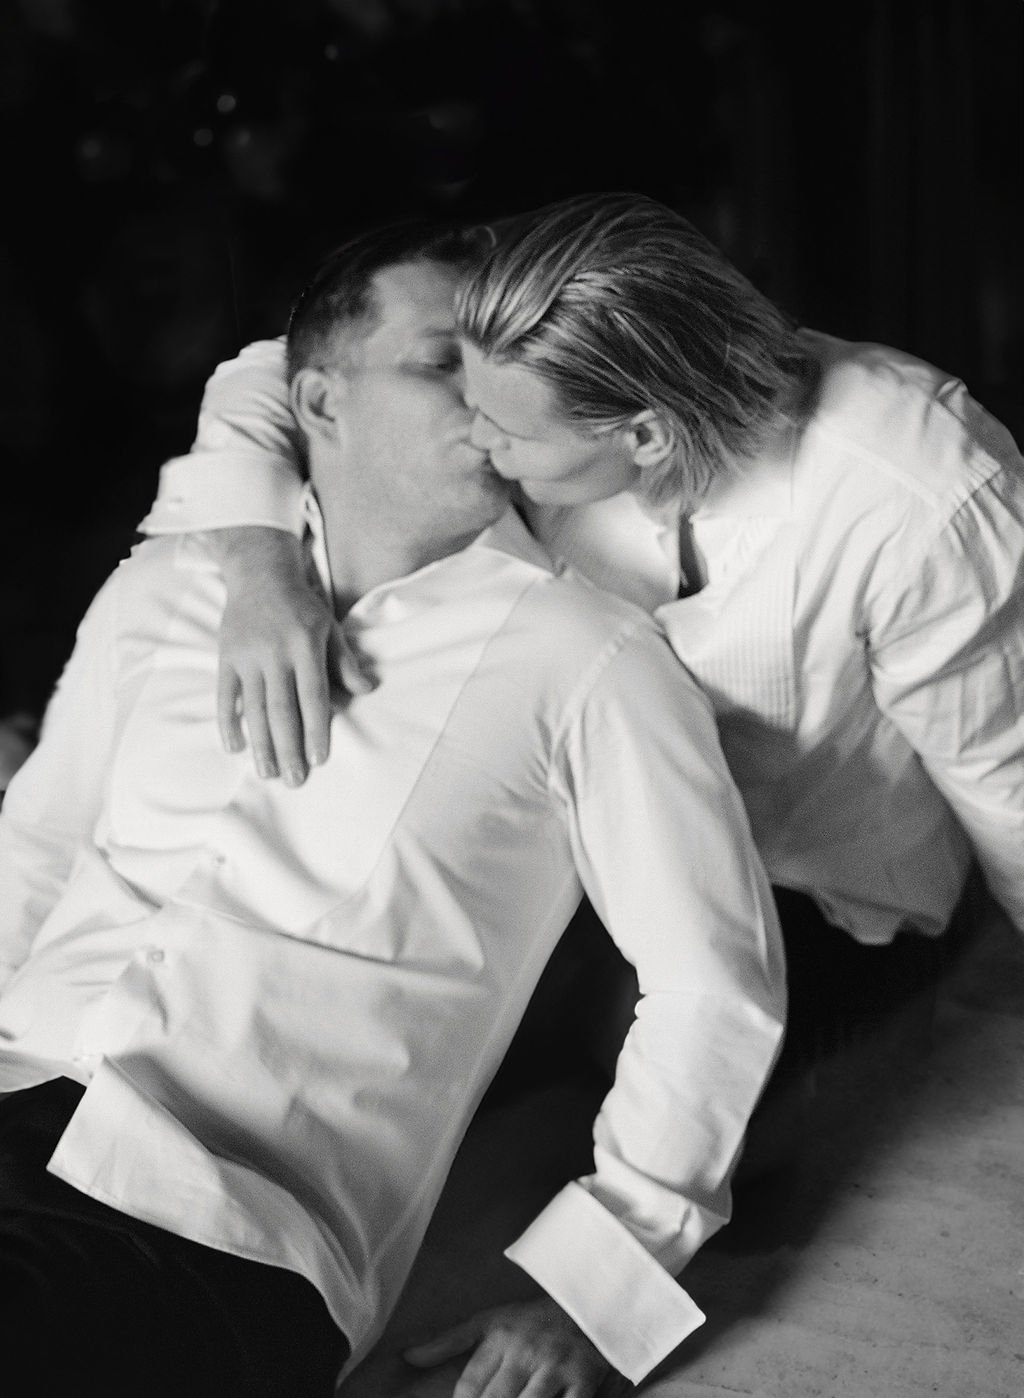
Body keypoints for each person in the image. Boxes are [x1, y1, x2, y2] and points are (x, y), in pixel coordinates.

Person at [0, 218, 786, 1398]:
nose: (489, 395)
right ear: (315, 400)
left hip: (217, 1224)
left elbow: (710, 984)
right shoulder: (167, 586)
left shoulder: (588, 659)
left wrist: (600, 1282)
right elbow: (40, 847)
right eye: (438, 363)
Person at [141, 192, 1023, 972]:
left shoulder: (919, 499)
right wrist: (263, 569)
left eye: (506, 430)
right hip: (573, 864)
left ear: (642, 437)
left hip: (824, 908)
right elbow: (275, 365)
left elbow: (1005, 778)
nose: (468, 429)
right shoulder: (535, 348)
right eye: (453, 377)